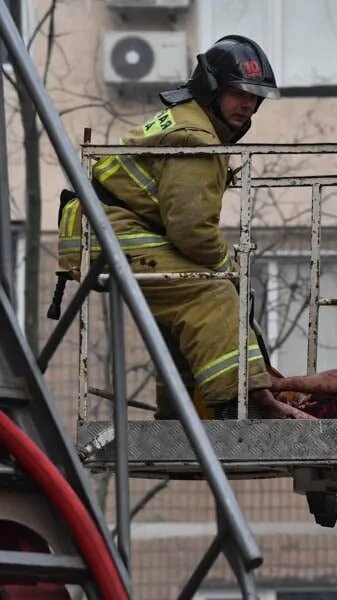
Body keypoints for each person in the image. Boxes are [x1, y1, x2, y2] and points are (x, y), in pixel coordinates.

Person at [57, 36, 281, 419]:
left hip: (105, 227)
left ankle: (180, 409)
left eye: (254, 96)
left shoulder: (189, 120)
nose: (247, 104)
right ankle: (234, 404)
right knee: (211, 293)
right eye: (237, 92)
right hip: (111, 231)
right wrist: (227, 264)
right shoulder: (195, 139)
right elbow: (191, 230)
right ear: (212, 88)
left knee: (184, 302)